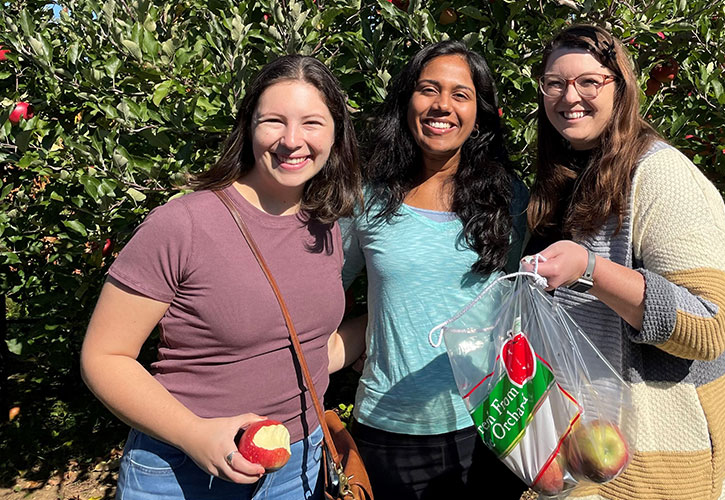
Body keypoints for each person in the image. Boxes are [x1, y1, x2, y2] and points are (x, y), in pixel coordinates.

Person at [80, 55, 364, 499]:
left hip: (297, 466)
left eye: (312, 123)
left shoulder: (324, 228)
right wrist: (194, 434)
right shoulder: (185, 223)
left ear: (336, 135)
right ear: (248, 127)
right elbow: (104, 356)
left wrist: (389, 319)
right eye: (273, 121)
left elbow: (310, 350)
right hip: (184, 472)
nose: (292, 141)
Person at [523, 25, 725, 500]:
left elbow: (709, 325)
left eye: (588, 82)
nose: (569, 96)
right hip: (587, 444)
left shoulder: (661, 174)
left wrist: (592, 269)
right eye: (554, 83)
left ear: (619, 88)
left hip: (655, 458)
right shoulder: (565, 175)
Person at [339, 40, 528, 499]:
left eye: (460, 94)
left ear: (480, 113)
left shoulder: (510, 198)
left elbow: (519, 300)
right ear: (407, 102)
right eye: (428, 90)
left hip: (492, 425)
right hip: (389, 426)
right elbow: (325, 298)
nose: (442, 105)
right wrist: (369, 336)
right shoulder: (367, 199)